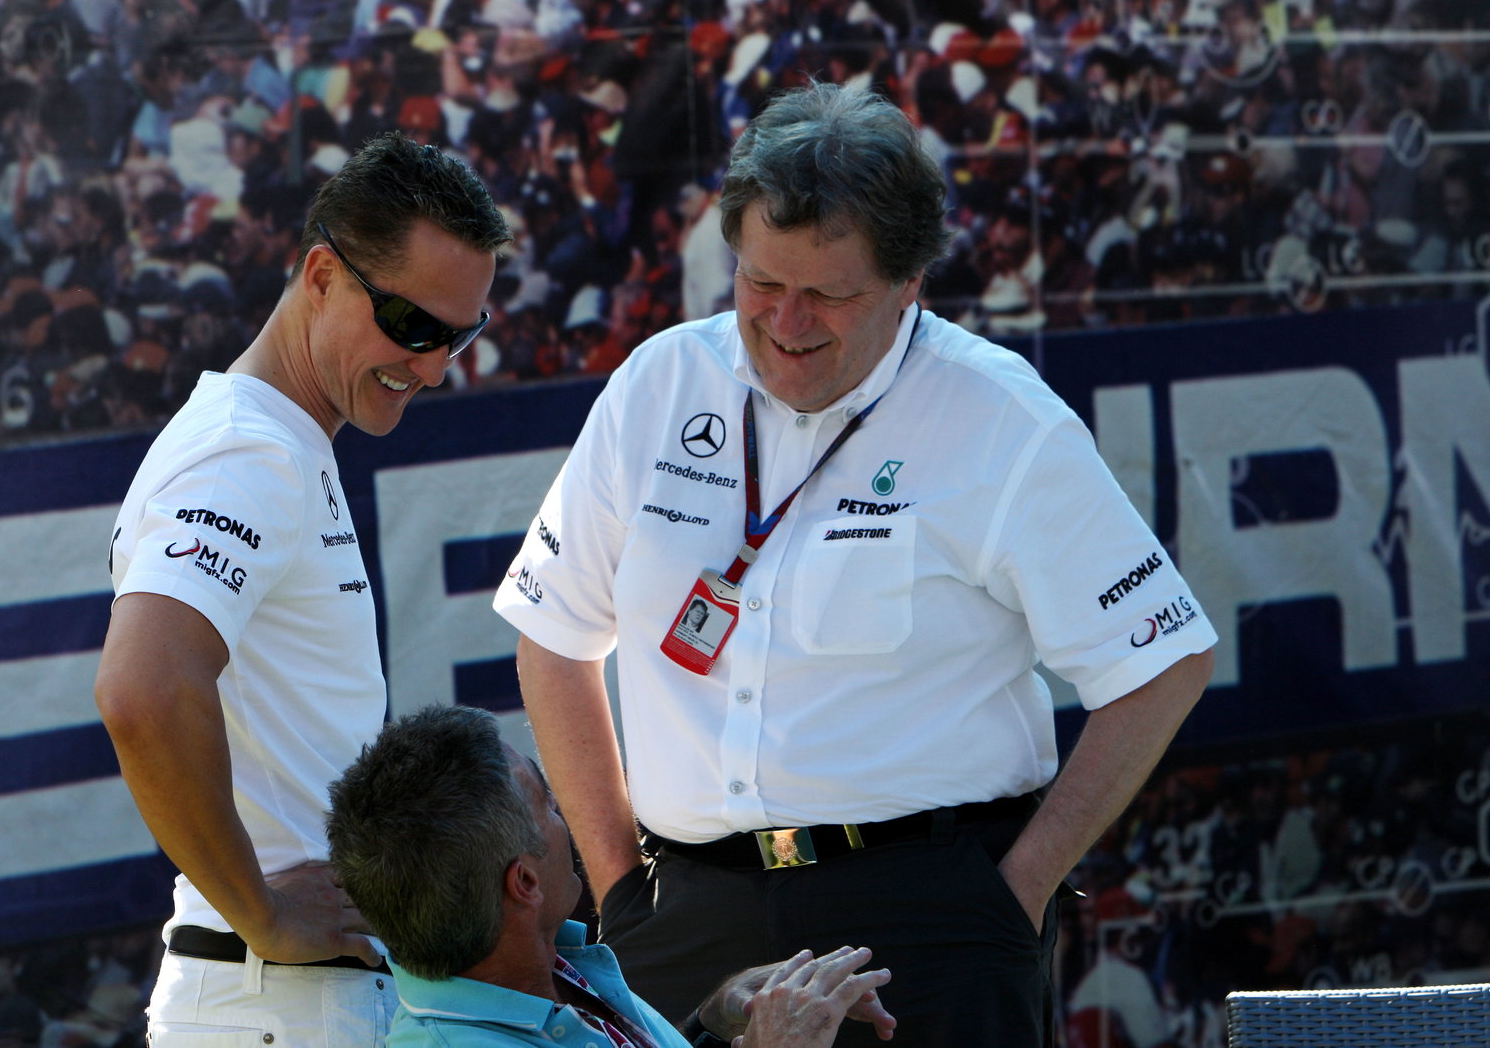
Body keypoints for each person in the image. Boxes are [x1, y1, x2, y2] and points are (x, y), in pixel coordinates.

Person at [491, 82, 1218, 1046]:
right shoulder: (659, 384)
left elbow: (1163, 658)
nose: (787, 320)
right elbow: (552, 632)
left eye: (829, 294)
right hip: (686, 919)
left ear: (911, 279)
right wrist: (622, 886)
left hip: (927, 923)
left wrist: (1017, 892)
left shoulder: (1002, 415)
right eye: (759, 283)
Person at [94, 130, 509, 1046]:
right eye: (413, 325)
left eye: (460, 332)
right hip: (274, 1000)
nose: (436, 365)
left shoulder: (277, 443)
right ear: (322, 275)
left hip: (278, 997)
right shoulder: (244, 452)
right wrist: (266, 917)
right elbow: (142, 691)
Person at [325, 702, 898, 1047]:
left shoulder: (551, 968)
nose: (565, 818)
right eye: (549, 806)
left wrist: (716, 1017)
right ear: (524, 884)